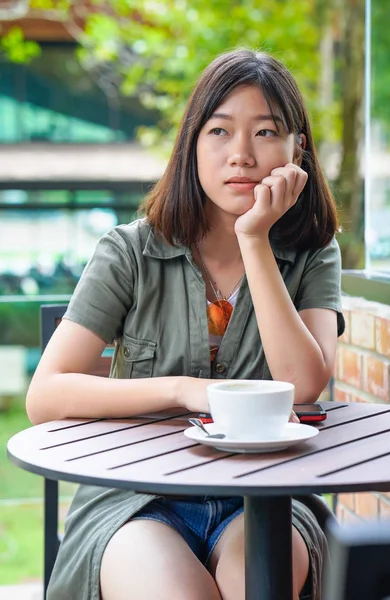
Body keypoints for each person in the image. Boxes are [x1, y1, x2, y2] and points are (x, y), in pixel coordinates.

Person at [26, 48, 345, 600]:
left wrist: (255, 239)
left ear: (300, 151)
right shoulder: (129, 251)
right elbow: (46, 394)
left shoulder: (312, 252)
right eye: (219, 131)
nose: (241, 155)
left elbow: (306, 383)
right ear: (191, 146)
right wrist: (185, 391)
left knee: (257, 586)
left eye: (266, 131)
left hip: (268, 498)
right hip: (136, 498)